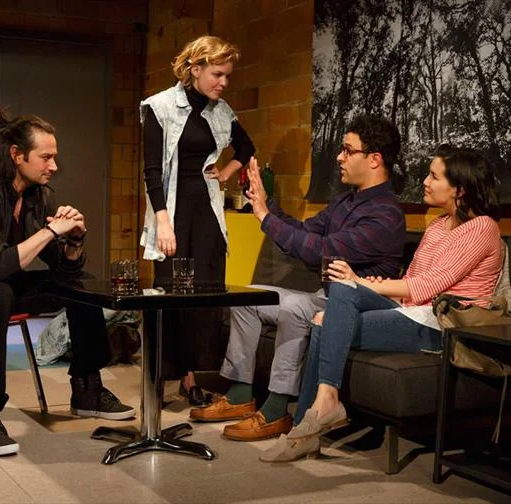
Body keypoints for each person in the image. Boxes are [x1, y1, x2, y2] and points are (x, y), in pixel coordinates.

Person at [260, 145, 502, 462]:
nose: (425, 181)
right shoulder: (436, 226)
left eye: (434, 176)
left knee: (327, 318)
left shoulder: (483, 227)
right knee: (340, 291)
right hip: (412, 312)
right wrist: (364, 286)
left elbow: (428, 286)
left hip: (443, 325)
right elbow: (410, 286)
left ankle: (305, 430)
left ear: (460, 189)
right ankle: (322, 407)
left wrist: (363, 282)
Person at [0, 113, 135, 457]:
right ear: (17, 155)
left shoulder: (38, 195)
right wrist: (50, 231)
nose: (54, 166)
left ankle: (88, 387)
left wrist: (74, 240)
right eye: (45, 157)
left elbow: (62, 265)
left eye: (54, 157)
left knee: (79, 286)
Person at [190, 115, 406, 441]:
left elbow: (321, 250)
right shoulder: (345, 201)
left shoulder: (385, 216)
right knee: (247, 298)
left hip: (358, 307)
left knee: (293, 307)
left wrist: (265, 217)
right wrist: (265, 205)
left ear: (374, 159)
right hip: (326, 296)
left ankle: (277, 410)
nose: (339, 157)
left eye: (348, 150)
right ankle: (239, 394)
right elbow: (305, 232)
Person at [140, 35, 255, 405]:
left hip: (206, 212)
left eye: (227, 76)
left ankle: (191, 379)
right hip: (172, 212)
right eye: (217, 74)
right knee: (168, 296)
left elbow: (247, 147)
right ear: (195, 68)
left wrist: (225, 173)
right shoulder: (159, 107)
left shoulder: (221, 111)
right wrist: (163, 222)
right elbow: (152, 171)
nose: (223, 82)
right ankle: (158, 378)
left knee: (204, 297)